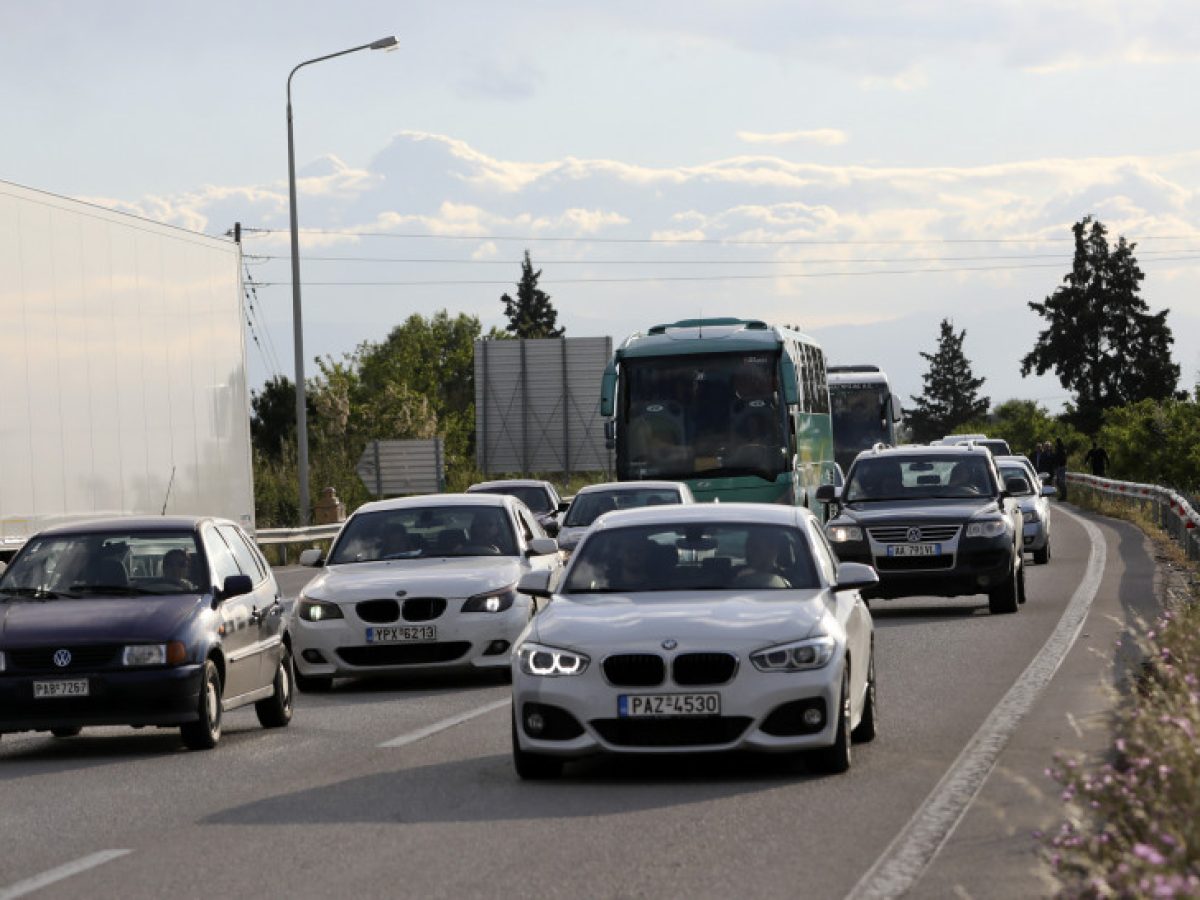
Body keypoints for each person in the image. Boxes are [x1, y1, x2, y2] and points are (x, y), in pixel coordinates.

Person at [1054, 437, 1069, 502]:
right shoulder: (1059, 448)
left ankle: (1064, 496)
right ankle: (1062, 495)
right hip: (1059, 466)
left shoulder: (1062, 448)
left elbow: (1062, 457)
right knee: (1058, 482)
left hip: (1061, 466)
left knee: (1061, 482)